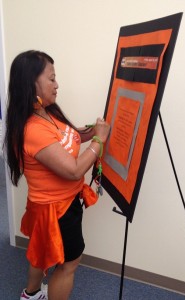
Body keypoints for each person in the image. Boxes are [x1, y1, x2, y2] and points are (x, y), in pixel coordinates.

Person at [3, 50, 110, 300]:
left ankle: (30, 295)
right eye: (51, 78)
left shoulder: (48, 111)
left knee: (40, 252)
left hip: (52, 204)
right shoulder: (32, 129)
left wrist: (92, 131)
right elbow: (73, 171)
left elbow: (71, 134)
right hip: (55, 209)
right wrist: (99, 140)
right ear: (32, 83)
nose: (57, 84)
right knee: (68, 264)